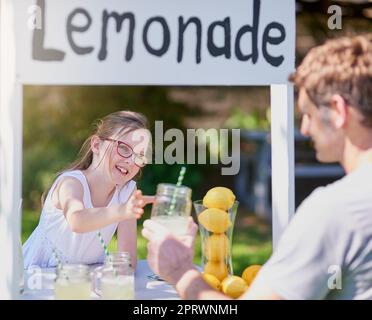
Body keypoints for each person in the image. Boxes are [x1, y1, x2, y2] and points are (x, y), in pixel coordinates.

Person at [142, 34, 372, 300]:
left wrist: (181, 272)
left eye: (307, 114)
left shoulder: (336, 210)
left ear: (337, 110)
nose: (305, 129)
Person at [23, 111, 154, 269]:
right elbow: (77, 220)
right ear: (96, 145)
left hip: (85, 279)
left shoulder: (127, 192)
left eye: (139, 155)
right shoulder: (71, 183)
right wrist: (122, 211)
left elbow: (128, 262)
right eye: (124, 148)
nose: (131, 161)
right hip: (40, 275)